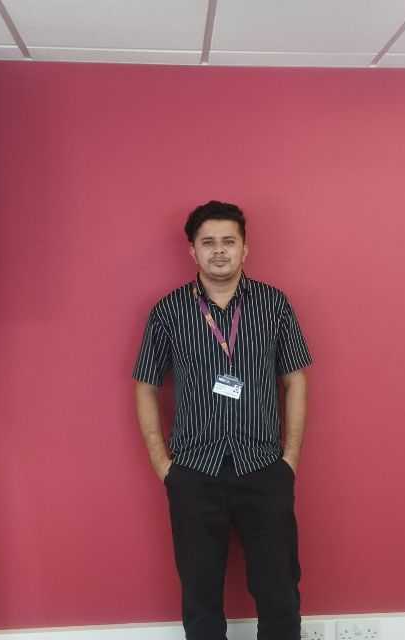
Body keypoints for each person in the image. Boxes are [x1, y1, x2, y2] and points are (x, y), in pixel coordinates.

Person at [133, 200, 312, 640]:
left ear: (244, 248)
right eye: (208, 242)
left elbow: (295, 380)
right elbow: (145, 385)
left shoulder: (273, 305)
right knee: (200, 596)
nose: (219, 251)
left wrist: (289, 459)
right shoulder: (168, 312)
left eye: (229, 241)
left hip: (263, 468)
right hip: (194, 472)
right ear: (192, 250)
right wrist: (163, 465)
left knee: (279, 590)